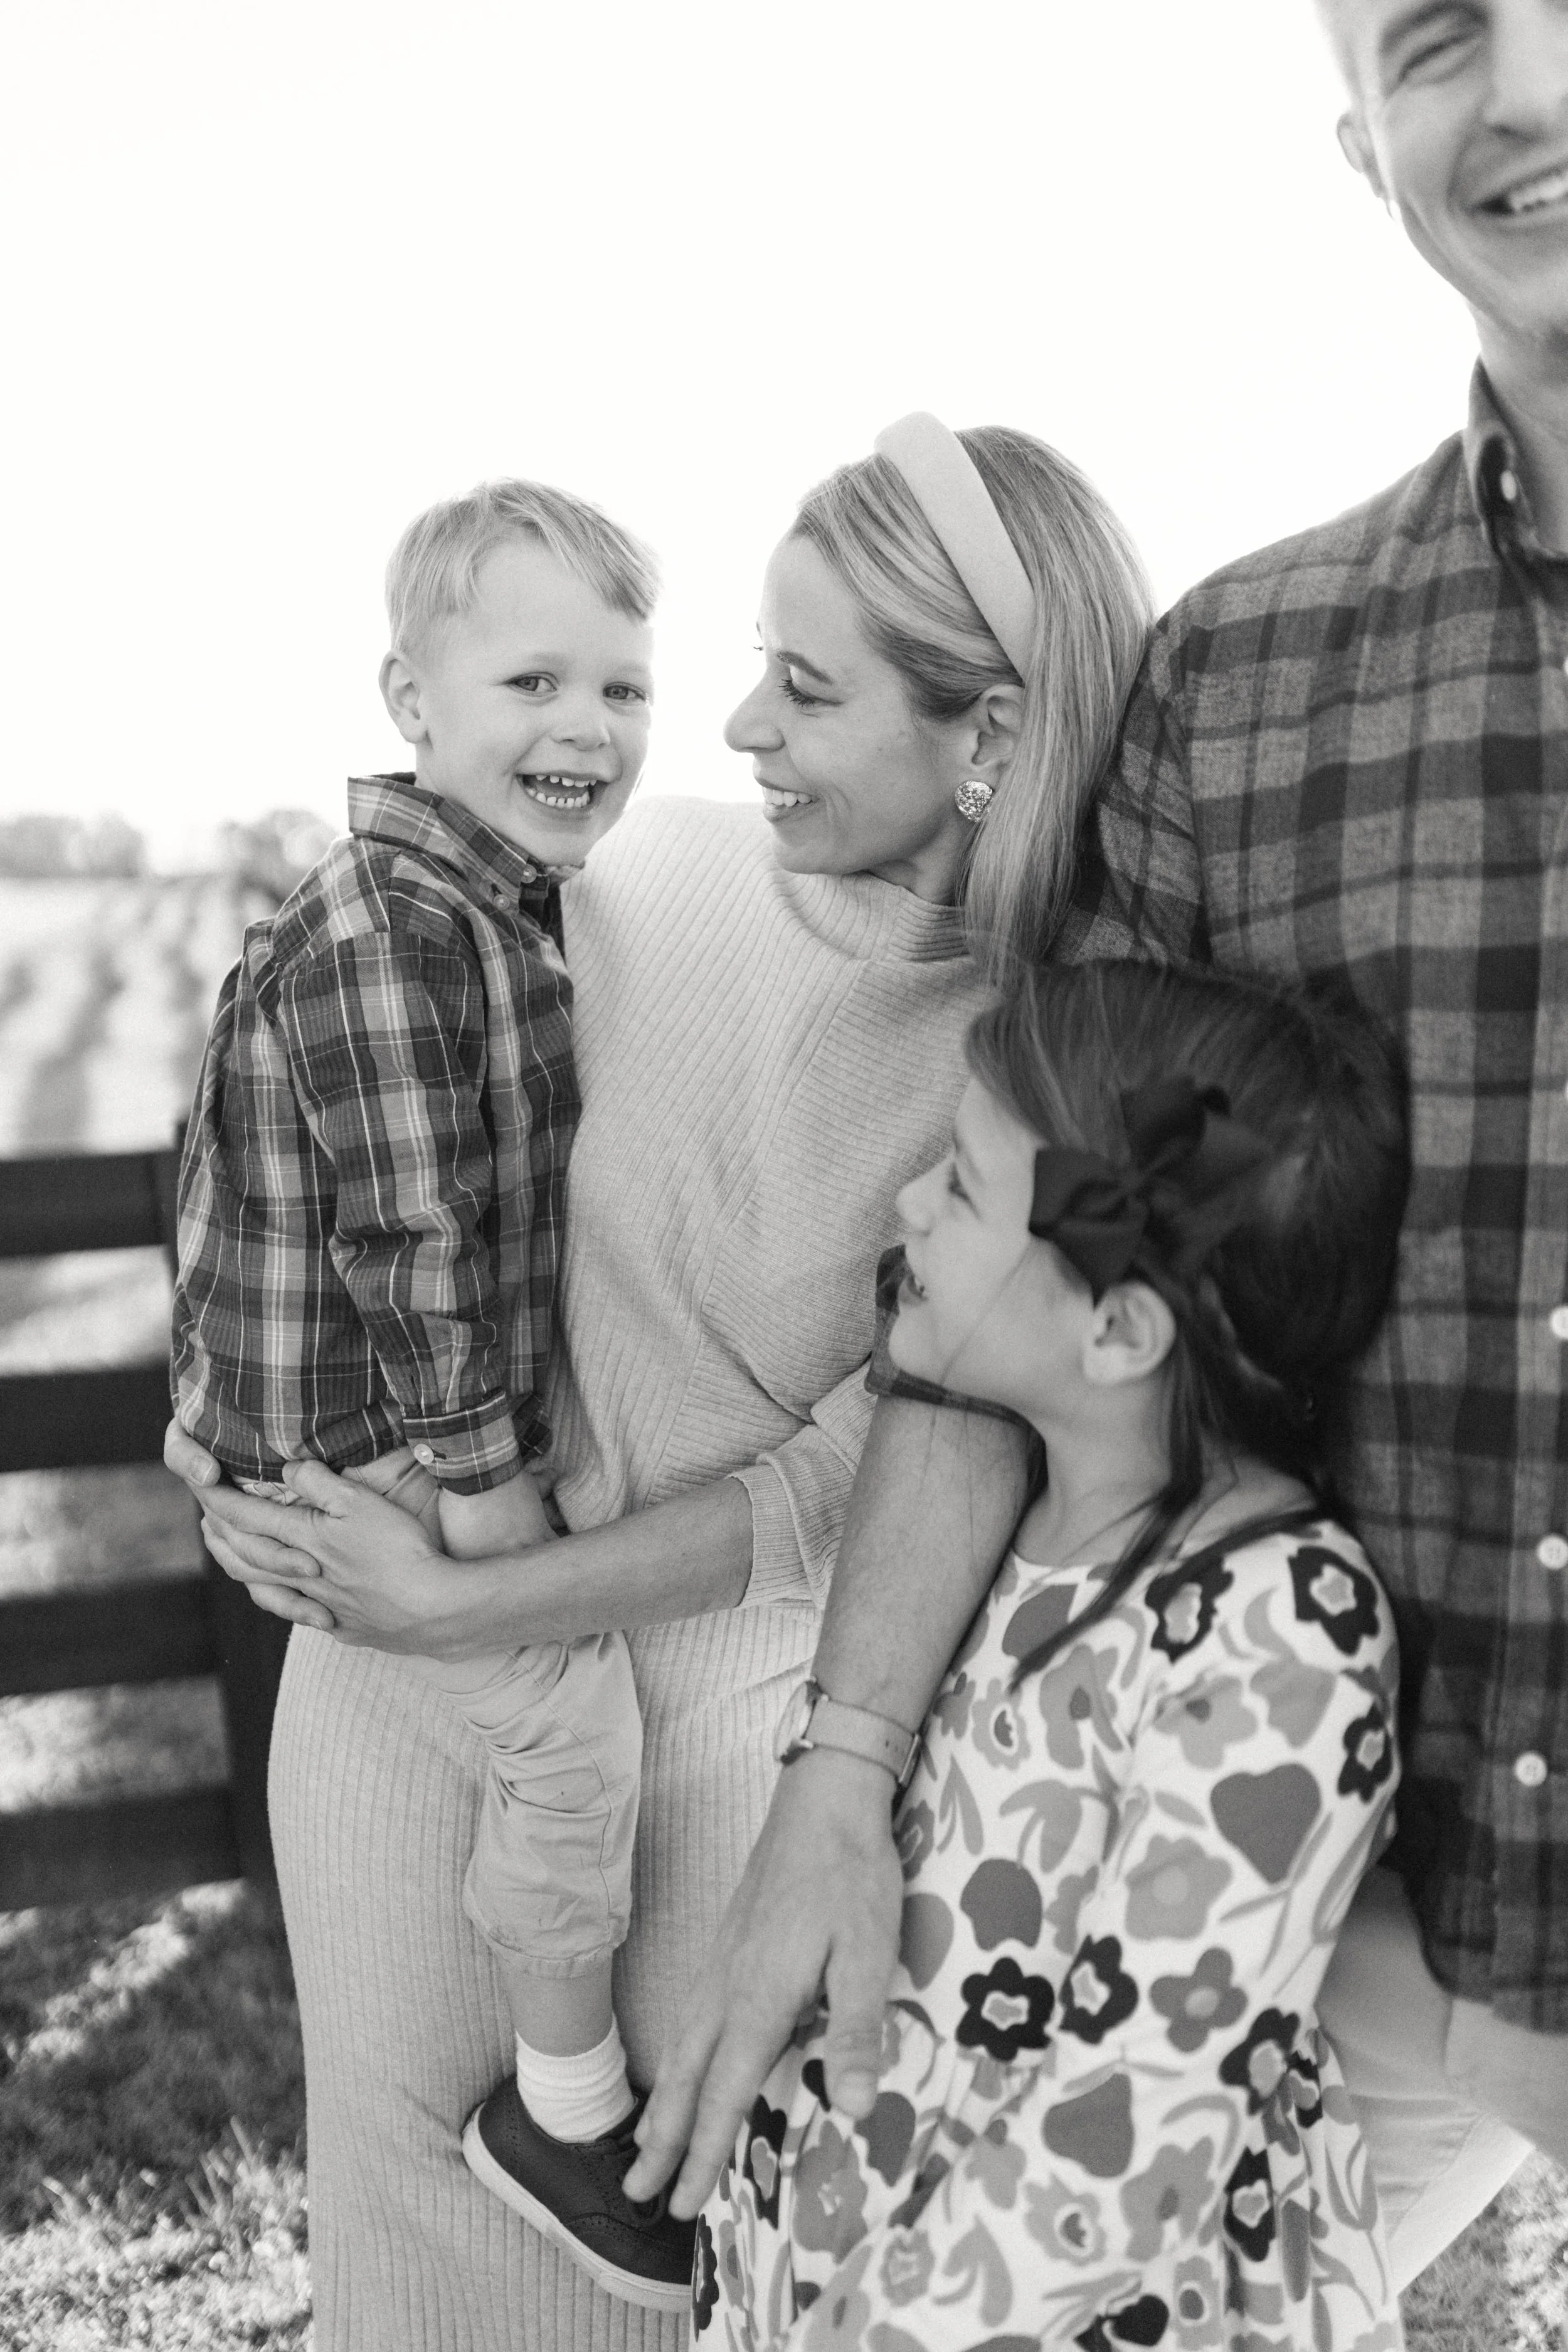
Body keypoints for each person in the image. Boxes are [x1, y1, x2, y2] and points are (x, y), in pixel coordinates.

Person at [621, 0, 1568, 2301]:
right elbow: (1060, 1289)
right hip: (1394, 1900)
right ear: (1358, 134)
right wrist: (843, 1768)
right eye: (1439, 36)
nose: (1531, 83)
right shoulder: (1244, 694)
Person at [165, 417, 1153, 2351]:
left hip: (711, 1756)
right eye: (753, 662)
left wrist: (482, 1594)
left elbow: (852, 1477)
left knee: (649, 2294)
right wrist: (250, 1436)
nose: (730, 724)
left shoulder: (1037, 1063)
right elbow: (340, 1129)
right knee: (397, 2257)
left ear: (988, 732)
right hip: (394, 1679)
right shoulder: (607, 872)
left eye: (807, 687)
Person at [702, 958, 1409, 2352]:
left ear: (1118, 1326)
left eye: (961, 1187)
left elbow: (1125, 2153)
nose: (909, 1202)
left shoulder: (1282, 1630)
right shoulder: (1015, 1525)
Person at [169, 477, 702, 2304]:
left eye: (622, 688)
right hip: (380, 1444)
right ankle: (566, 2107)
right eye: (532, 682)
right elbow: (411, 1235)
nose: (587, 727)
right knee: (571, 1725)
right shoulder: (397, 928)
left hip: (358, 1416)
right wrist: (487, 1501)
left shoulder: (491, 903)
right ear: (411, 699)